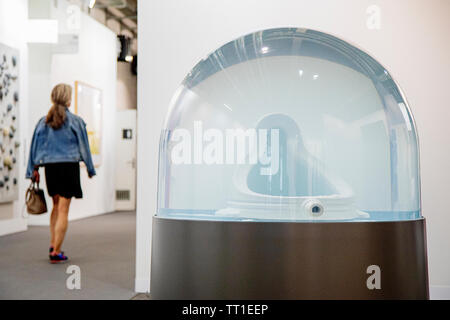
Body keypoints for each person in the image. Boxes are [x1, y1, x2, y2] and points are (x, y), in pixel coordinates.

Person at [26, 83, 96, 264]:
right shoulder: (76, 121)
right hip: (68, 168)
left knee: (56, 206)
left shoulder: (43, 122)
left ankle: (53, 244)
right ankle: (56, 251)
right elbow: (84, 147)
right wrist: (90, 168)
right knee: (64, 209)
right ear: (67, 99)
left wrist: (32, 170)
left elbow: (34, 148)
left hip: (51, 169)